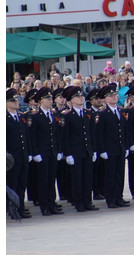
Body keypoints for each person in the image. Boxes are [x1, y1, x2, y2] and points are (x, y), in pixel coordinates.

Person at [58, 86, 99, 212]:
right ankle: (78, 202)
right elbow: (65, 137)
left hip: (87, 150)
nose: (81, 98)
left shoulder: (88, 113)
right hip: (75, 152)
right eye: (77, 96)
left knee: (87, 177)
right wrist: (68, 153)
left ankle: (88, 201)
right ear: (71, 100)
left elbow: (92, 133)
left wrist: (94, 150)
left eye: (81, 96)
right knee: (77, 178)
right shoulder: (67, 115)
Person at [28, 87, 64, 216]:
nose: (50, 101)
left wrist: (59, 150)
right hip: (42, 153)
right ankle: (44, 205)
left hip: (52, 151)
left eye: (51, 99)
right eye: (47, 99)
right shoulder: (36, 116)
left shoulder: (53, 115)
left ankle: (51, 202)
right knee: (43, 179)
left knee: (51, 179)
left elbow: (56, 134)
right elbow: (33, 137)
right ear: (40, 101)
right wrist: (35, 153)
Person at [95, 84, 130, 208]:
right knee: (110, 175)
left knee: (119, 174)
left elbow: (124, 131)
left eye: (115, 95)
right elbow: (99, 134)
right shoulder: (102, 113)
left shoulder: (120, 111)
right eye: (111, 96)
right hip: (109, 149)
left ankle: (119, 197)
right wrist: (102, 150)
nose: (114, 97)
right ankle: (111, 199)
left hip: (120, 148)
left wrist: (125, 147)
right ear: (105, 99)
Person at [6, 88, 32, 219]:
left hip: (23, 156)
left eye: (16, 100)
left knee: (22, 184)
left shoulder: (21, 117)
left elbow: (26, 137)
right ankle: (13, 209)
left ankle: (21, 207)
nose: (16, 102)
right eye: (12, 100)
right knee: (13, 184)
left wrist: (29, 153)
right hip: (12, 158)